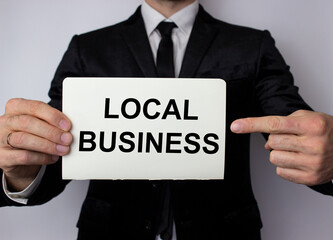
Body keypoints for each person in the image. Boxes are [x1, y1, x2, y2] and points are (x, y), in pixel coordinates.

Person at [0, 0, 333, 239]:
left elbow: (297, 130)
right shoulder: (88, 48)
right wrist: (22, 170)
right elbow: (57, 151)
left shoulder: (253, 45)